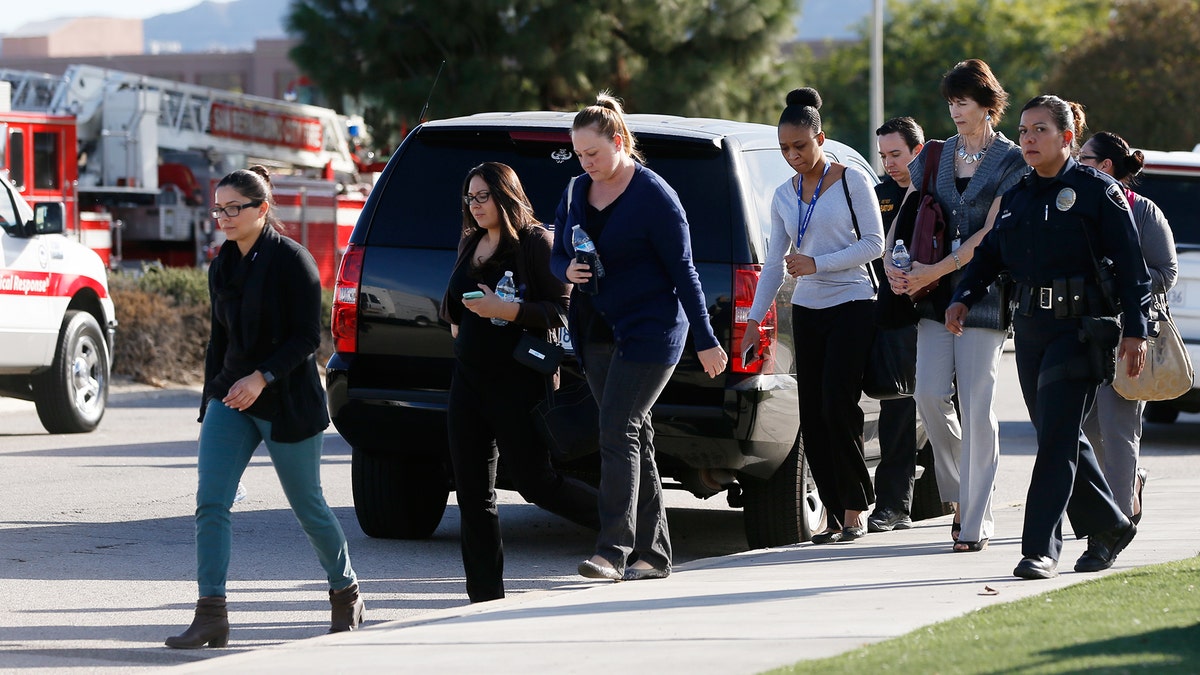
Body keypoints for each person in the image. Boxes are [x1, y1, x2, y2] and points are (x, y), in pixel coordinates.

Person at [946, 96, 1150, 580]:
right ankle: (1110, 525)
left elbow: (1133, 269)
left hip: (1080, 331)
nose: (1029, 139)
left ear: (1066, 137)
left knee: (1055, 443)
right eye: (1023, 131)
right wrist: (964, 296)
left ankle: (1039, 548)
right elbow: (990, 253)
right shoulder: (1018, 194)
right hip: (1032, 331)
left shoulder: (1097, 191)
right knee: (1060, 436)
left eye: (1040, 130)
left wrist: (1136, 332)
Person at [167, 166, 362, 649]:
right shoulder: (221, 264)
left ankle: (346, 592)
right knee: (211, 502)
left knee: (308, 506)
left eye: (235, 208)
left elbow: (307, 338)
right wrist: (210, 402)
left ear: (262, 209)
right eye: (219, 208)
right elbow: (220, 340)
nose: (224, 217)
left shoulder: (293, 260)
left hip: (288, 402)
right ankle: (211, 613)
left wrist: (263, 377)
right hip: (230, 398)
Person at [551, 93, 728, 582]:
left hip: (651, 332)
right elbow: (556, 250)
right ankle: (655, 555)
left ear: (620, 141)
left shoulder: (655, 196)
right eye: (579, 155)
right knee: (635, 435)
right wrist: (564, 266)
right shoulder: (574, 191)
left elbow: (685, 272)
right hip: (595, 329)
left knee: (616, 428)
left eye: (594, 154)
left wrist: (706, 338)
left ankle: (612, 550)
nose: (586, 164)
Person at [439, 162, 600, 603]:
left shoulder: (534, 243)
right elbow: (453, 300)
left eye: (483, 196)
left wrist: (505, 312)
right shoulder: (471, 241)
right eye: (469, 198)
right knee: (473, 494)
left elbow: (560, 309)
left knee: (536, 482)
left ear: (505, 195)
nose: (474, 206)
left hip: (517, 383)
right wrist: (457, 320)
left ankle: (623, 526)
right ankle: (484, 598)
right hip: (468, 383)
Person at [885, 59, 1026, 553]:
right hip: (931, 297)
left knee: (979, 403)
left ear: (988, 105)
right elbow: (909, 212)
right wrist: (893, 262)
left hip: (984, 295)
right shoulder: (937, 154)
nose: (955, 112)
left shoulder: (1011, 160)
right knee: (927, 395)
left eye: (963, 103)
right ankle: (963, 492)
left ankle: (975, 520)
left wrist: (936, 269)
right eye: (950, 103)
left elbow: (991, 233)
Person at [739, 88, 884, 544]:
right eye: (784, 148)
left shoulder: (851, 181)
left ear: (821, 138)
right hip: (808, 307)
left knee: (838, 406)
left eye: (800, 145)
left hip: (853, 302)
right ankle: (836, 517)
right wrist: (752, 321)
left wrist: (819, 264)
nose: (792, 155)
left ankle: (855, 509)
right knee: (813, 413)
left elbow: (874, 246)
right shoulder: (783, 195)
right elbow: (772, 264)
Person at [1078, 132, 1178, 525]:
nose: (1075, 163)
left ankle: (1116, 520)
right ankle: (1129, 481)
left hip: (1128, 331)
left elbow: (1166, 273)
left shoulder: (1143, 211)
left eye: (1083, 159)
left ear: (1105, 166)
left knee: (1118, 426)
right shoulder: (1076, 205)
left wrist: (1117, 280)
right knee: (1086, 425)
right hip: (1083, 329)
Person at [868, 116, 924, 533]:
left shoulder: (936, 193)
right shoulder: (878, 196)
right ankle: (892, 505)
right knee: (897, 410)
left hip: (939, 314)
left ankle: (964, 499)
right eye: (884, 155)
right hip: (892, 316)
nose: (889, 163)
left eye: (897, 154)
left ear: (917, 151)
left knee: (950, 411)